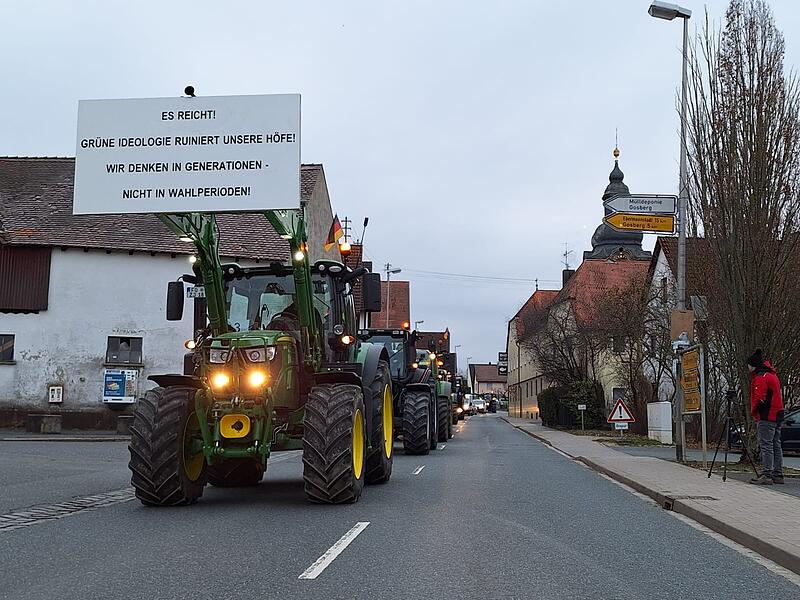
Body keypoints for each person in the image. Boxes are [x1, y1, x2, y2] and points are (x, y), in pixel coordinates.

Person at [747, 349, 785, 485]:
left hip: (767, 415)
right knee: (776, 443)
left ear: (753, 365)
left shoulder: (761, 377)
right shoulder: (772, 374)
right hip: (778, 413)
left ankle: (767, 474)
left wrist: (754, 411)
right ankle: (778, 473)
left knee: (766, 444)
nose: (748, 368)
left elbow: (760, 398)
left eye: (749, 365)